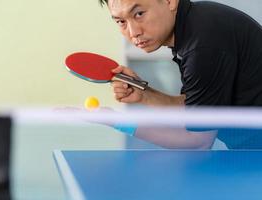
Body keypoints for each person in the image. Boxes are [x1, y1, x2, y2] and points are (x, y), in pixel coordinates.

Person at [98, 0, 262, 149]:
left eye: (139, 14)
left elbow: (198, 142)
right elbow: (197, 109)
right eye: (121, 22)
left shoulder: (202, 45)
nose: (133, 32)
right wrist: (145, 96)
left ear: (170, 2)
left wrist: (118, 121)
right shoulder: (195, 24)